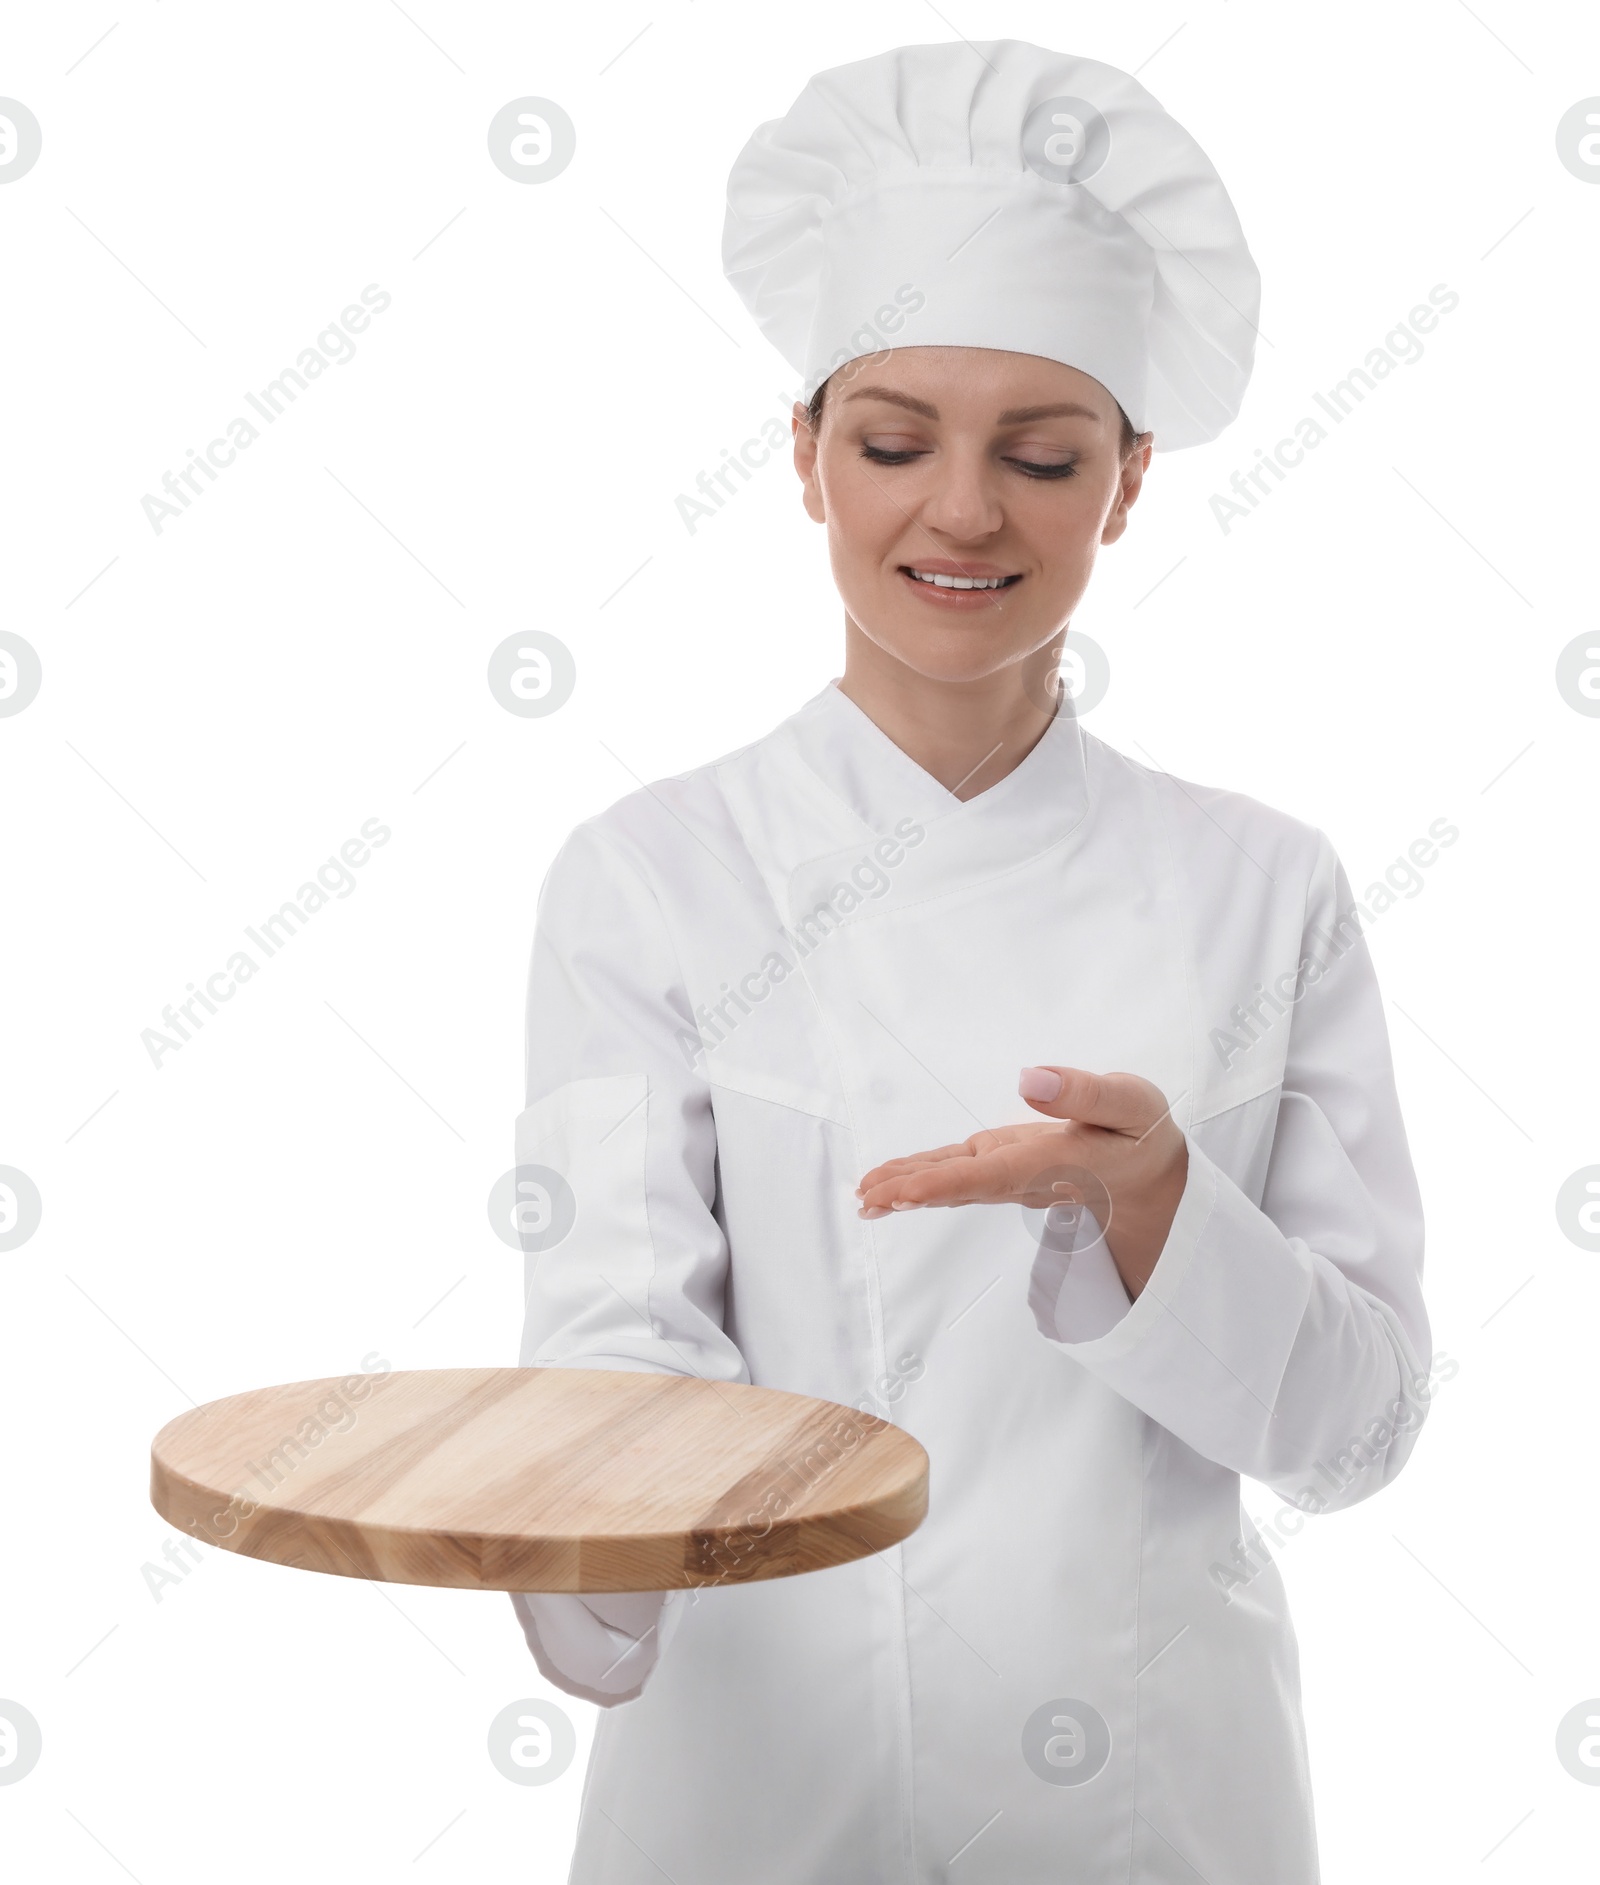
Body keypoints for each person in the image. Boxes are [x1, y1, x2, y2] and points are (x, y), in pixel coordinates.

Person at [508, 40, 1431, 1884]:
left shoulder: (1266, 887)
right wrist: (570, 1515)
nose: (960, 512)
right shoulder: (653, 877)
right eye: (894, 439)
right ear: (802, 453)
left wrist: (1166, 1206)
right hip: (758, 1794)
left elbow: (1361, 1424)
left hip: (1160, 1804)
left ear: (1130, 481)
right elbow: (618, 1340)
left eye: (1041, 453)